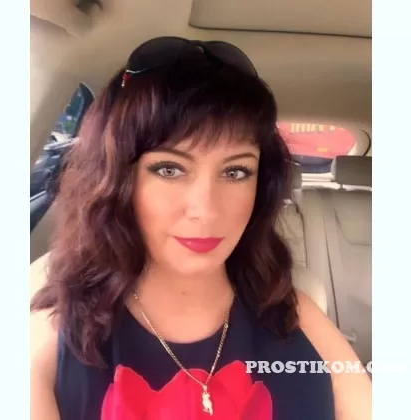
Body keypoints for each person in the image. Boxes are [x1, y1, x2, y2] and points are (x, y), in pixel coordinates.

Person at [30, 37, 371, 420]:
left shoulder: (298, 315)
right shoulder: (51, 340)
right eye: (169, 169)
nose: (206, 210)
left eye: (235, 172)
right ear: (116, 179)